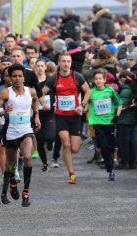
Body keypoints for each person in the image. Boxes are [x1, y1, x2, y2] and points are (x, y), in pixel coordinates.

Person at [0, 64, 41, 207]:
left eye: (20, 76)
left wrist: (36, 115)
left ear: (24, 78)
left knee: (27, 157)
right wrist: (3, 111)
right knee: (11, 165)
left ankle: (26, 192)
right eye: (14, 76)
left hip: (26, 130)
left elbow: (35, 101)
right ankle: (11, 184)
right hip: (11, 132)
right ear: (10, 78)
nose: (17, 78)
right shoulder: (6, 93)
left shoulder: (31, 91)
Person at [43, 53, 90, 184]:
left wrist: (82, 105)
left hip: (75, 116)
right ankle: (72, 174)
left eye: (68, 61)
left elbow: (88, 91)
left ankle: (68, 159)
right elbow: (41, 93)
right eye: (63, 61)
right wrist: (43, 104)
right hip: (60, 116)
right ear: (59, 63)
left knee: (74, 148)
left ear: (71, 63)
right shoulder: (54, 78)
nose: (66, 64)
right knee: (66, 143)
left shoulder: (77, 76)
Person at [87, 68, 122, 181]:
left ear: (104, 80)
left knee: (111, 145)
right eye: (96, 78)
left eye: (100, 79)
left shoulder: (110, 91)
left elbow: (119, 103)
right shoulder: (91, 92)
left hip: (109, 121)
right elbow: (86, 104)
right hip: (97, 122)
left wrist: (117, 115)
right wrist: (82, 109)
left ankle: (111, 162)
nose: (98, 80)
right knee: (104, 145)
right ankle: (110, 169)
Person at [34, 59, 56, 172]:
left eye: (42, 66)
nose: (40, 68)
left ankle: (50, 144)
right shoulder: (32, 82)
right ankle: (44, 163)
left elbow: (57, 92)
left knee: (50, 136)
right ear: (35, 68)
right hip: (36, 113)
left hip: (49, 113)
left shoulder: (50, 80)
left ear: (45, 67)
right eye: (37, 66)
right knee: (39, 141)